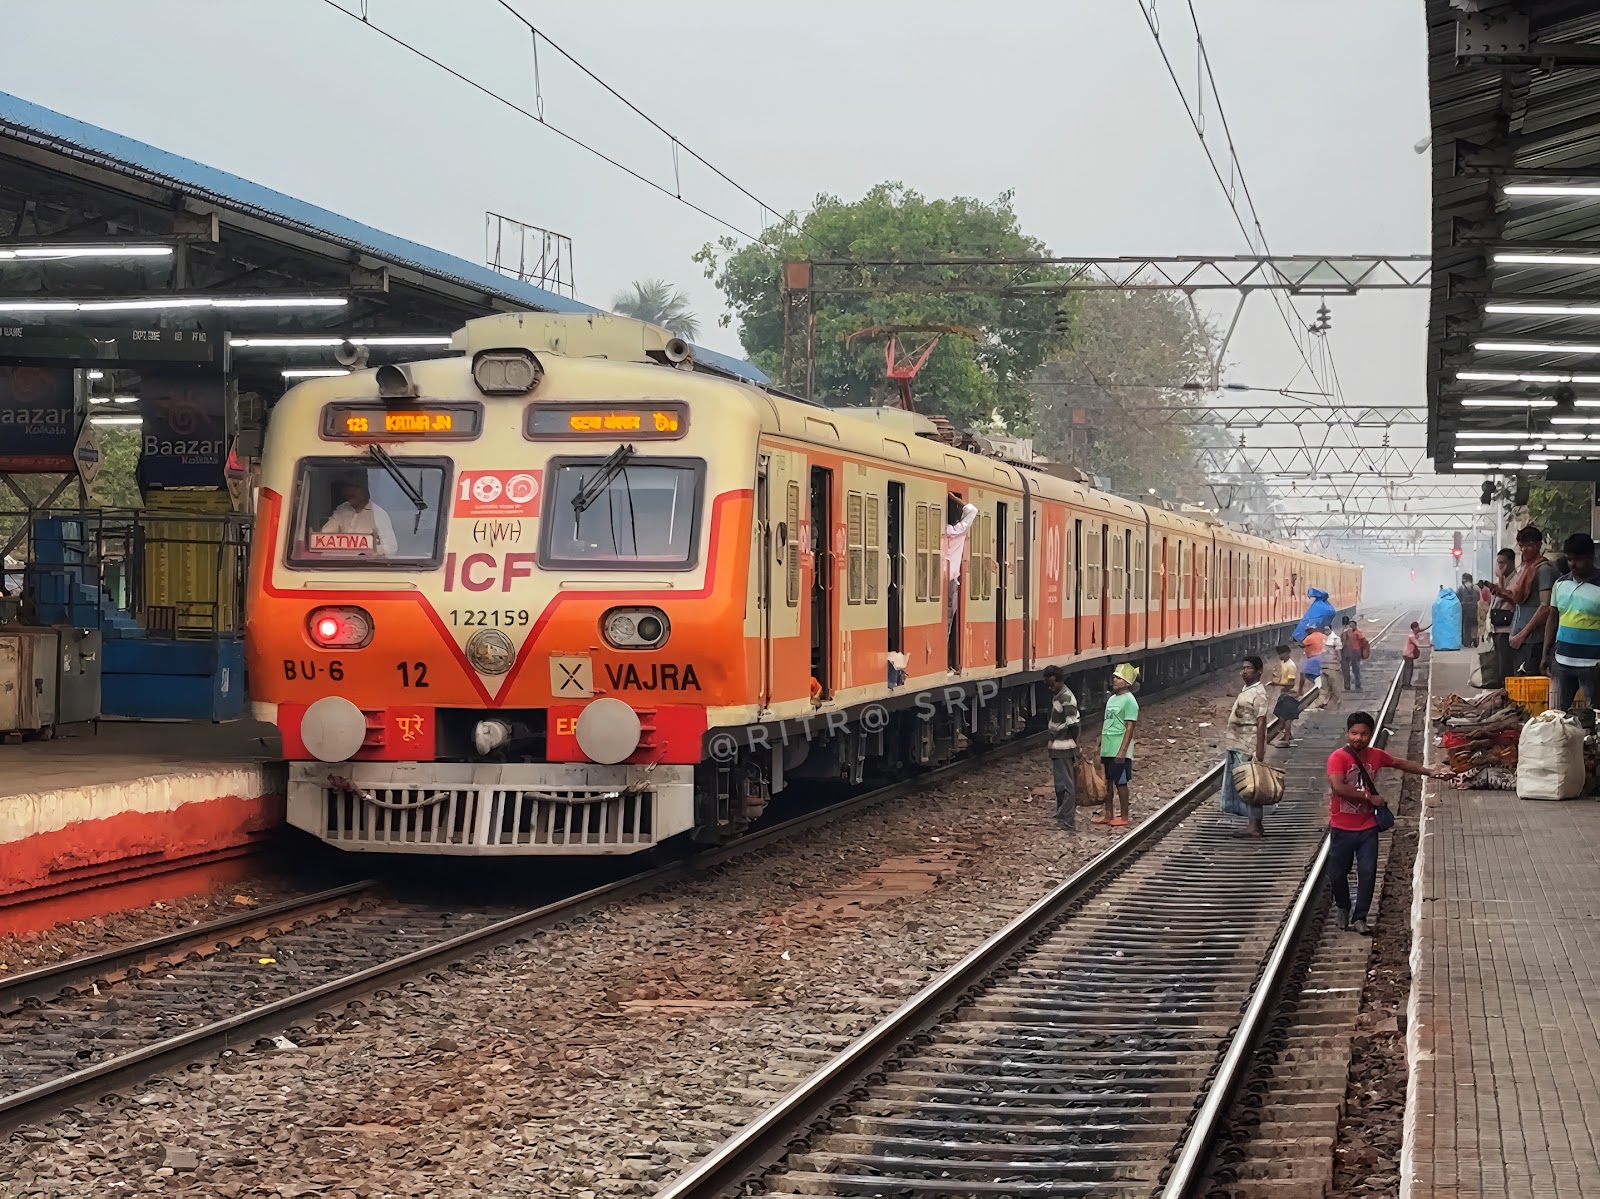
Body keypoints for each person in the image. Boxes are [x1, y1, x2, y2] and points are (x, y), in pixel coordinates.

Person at [1326, 710, 1451, 934]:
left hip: (1367, 828)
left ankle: (1360, 917)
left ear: (1371, 735)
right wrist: (1368, 797)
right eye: (1354, 733)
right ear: (1347, 733)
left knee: (1367, 871)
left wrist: (1430, 772)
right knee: (1337, 873)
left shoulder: (1375, 755)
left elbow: (1400, 763)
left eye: (1363, 734)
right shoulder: (1338, 757)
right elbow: (1338, 787)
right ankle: (1343, 906)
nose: (1358, 738)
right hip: (1341, 827)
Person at [1541, 532, 1600, 710]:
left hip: (1593, 664)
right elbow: (1553, 617)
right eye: (1569, 559)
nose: (1573, 564)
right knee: (1555, 715)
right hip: (1561, 662)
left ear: (1591, 557)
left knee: (1595, 714)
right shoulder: (1560, 584)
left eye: (1578, 559)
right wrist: (1546, 654)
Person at [1492, 525, 1556, 676]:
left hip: (1534, 639)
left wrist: (1523, 634)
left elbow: (1545, 607)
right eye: (1521, 546)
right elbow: (1517, 599)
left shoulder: (1543, 570)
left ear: (1539, 545)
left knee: (1529, 682)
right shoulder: (1526, 569)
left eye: (1529, 545)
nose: (1524, 550)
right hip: (1521, 638)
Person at [1221, 655, 1271, 838]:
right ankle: (1253, 824)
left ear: (1259, 671)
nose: (1244, 671)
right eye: (1243, 668)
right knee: (1246, 786)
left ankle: (1255, 826)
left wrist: (1258, 752)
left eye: (1248, 668)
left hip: (1247, 745)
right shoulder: (1247, 688)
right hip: (1238, 743)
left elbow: (1261, 723)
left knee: (1252, 787)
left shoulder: (1259, 693)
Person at [1096, 663, 1139, 829]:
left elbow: (1130, 727)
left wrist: (1123, 750)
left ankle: (1124, 816)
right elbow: (1107, 722)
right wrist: (1100, 742)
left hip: (1119, 749)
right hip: (1108, 746)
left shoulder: (1130, 701)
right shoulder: (1112, 699)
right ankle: (1108, 813)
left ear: (1127, 683)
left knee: (1121, 783)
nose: (1114, 680)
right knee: (1108, 781)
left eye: (1118, 678)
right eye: (1114, 677)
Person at [320, 475, 397, 559]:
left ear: (366, 490)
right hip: (340, 565)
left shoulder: (378, 514)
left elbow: (391, 548)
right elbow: (324, 535)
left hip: (364, 567)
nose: (350, 490)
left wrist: (368, 550)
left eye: (355, 487)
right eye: (348, 487)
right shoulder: (342, 509)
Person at [1042, 666, 1081, 830]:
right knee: (1060, 784)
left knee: (1067, 785)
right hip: (1057, 747)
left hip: (1065, 747)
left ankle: (1067, 820)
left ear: (1059, 680)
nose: (1050, 688)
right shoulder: (1059, 695)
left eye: (1052, 684)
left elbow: (1074, 724)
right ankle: (1061, 815)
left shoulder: (1066, 697)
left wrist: (1076, 744)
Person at [943, 495, 978, 668]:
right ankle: (945, 660)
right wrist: (954, 498)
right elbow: (973, 510)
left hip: (936, 581)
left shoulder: (942, 532)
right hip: (950, 581)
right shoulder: (957, 531)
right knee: (948, 621)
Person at [1488, 547, 1517, 681]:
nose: (1500, 566)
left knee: (1506, 666)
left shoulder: (1516, 580)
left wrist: (1500, 581)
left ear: (1511, 562)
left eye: (1503, 563)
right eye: (1498, 563)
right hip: (1497, 628)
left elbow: (1512, 598)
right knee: (1499, 665)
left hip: (1508, 629)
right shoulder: (1501, 580)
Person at [1269, 644, 1301, 746]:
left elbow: (1291, 683)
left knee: (1287, 718)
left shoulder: (1291, 666)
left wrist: (1276, 684)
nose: (1280, 656)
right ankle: (1288, 735)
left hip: (1289, 694)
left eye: (1281, 654)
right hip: (1285, 693)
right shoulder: (1284, 663)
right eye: (1279, 654)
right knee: (1283, 716)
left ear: (1287, 653)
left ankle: (1286, 738)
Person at [1319, 622, 1343, 708]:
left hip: (1332, 665)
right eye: (1324, 630)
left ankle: (1336, 701)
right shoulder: (1322, 639)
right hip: (1323, 665)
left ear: (1330, 629)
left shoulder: (1335, 639)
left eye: (1327, 629)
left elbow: (1338, 652)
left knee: (1334, 684)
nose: (1326, 631)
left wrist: (1339, 662)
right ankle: (1323, 701)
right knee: (1324, 685)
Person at [1300, 624, 1326, 701]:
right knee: (1318, 675)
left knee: (1304, 673)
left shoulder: (1309, 637)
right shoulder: (1323, 635)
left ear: (1311, 630)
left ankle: (1302, 691)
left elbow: (1302, 644)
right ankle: (1319, 687)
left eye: (1308, 630)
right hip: (1323, 658)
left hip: (1313, 659)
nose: (1307, 632)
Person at [1400, 621, 1429, 689]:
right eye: (1417, 627)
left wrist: (1430, 625)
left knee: (1409, 669)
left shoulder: (1415, 633)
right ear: (1414, 628)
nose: (1418, 628)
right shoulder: (1412, 636)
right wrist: (1429, 645)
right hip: (1408, 654)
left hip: (1410, 654)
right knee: (1408, 670)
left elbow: (1422, 629)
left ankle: (1406, 684)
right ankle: (1405, 685)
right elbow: (1419, 645)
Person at [1345, 617, 1370, 692]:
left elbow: (1364, 642)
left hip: (1355, 652)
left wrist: (1363, 651)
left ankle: (1357, 685)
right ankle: (1351, 685)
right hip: (1349, 652)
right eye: (1350, 625)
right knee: (1353, 668)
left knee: (1356, 669)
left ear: (1355, 626)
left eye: (1353, 625)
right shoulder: (1348, 633)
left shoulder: (1357, 633)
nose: (1351, 627)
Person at [1456, 572, 1480, 648]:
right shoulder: (1476, 588)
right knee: (1474, 625)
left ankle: (1467, 642)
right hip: (1474, 610)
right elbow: (1478, 598)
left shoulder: (1461, 588)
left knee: (1466, 627)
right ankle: (1474, 638)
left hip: (1464, 611)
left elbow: (1457, 599)